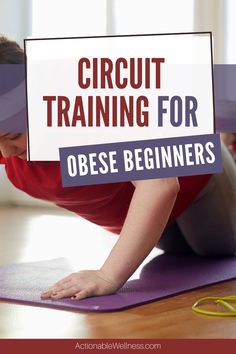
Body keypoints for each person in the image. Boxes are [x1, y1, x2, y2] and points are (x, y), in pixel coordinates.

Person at [0, 36, 236, 301]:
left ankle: (223, 132)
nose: (6, 153)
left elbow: (159, 184)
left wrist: (107, 275)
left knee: (212, 251)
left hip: (199, 181)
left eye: (13, 136)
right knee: (180, 255)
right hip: (151, 212)